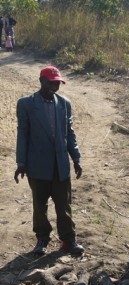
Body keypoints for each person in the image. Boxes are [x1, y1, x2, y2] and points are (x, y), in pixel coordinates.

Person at [14, 66, 85, 255]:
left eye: (57, 83)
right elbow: (23, 134)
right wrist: (21, 162)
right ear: (41, 81)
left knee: (64, 204)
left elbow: (69, 133)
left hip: (60, 164)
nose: (55, 86)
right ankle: (42, 239)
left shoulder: (64, 104)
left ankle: (68, 239)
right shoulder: (26, 104)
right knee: (40, 205)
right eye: (51, 83)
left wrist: (76, 158)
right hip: (37, 165)